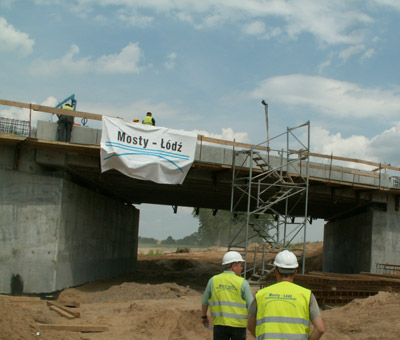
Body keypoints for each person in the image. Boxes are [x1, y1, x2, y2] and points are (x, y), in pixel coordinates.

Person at [247, 250, 325, 340]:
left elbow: (250, 326)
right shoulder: (306, 295)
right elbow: (320, 329)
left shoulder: (261, 294)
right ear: (295, 272)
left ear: (276, 271)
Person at [201, 250, 253, 340]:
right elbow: (252, 306)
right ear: (233, 266)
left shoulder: (213, 280)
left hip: (220, 325)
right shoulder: (242, 283)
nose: (241, 268)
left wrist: (204, 316)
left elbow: (205, 301)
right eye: (240, 266)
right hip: (238, 327)